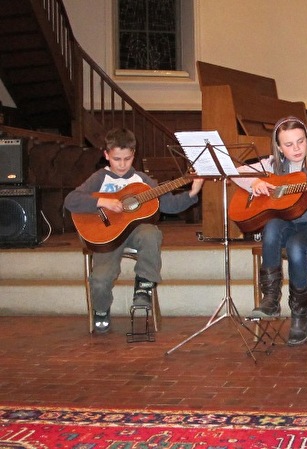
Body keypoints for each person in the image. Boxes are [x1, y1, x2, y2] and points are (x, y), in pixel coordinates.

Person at [64, 127, 204, 334]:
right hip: (107, 236)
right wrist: (102, 202)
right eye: (116, 159)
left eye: (127, 159)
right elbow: (71, 201)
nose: (121, 165)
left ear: (134, 156)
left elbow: (168, 205)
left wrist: (192, 192)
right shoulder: (100, 178)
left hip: (135, 234)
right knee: (101, 279)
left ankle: (144, 284)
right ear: (106, 155)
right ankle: (101, 311)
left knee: (151, 232)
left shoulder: (142, 181)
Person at [233, 116, 307, 346]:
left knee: (295, 246)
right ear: (279, 147)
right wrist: (254, 183)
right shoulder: (271, 165)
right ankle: (270, 298)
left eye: (301, 141)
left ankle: (300, 312)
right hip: (285, 224)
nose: (297, 148)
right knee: (271, 225)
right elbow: (235, 172)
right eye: (289, 145)